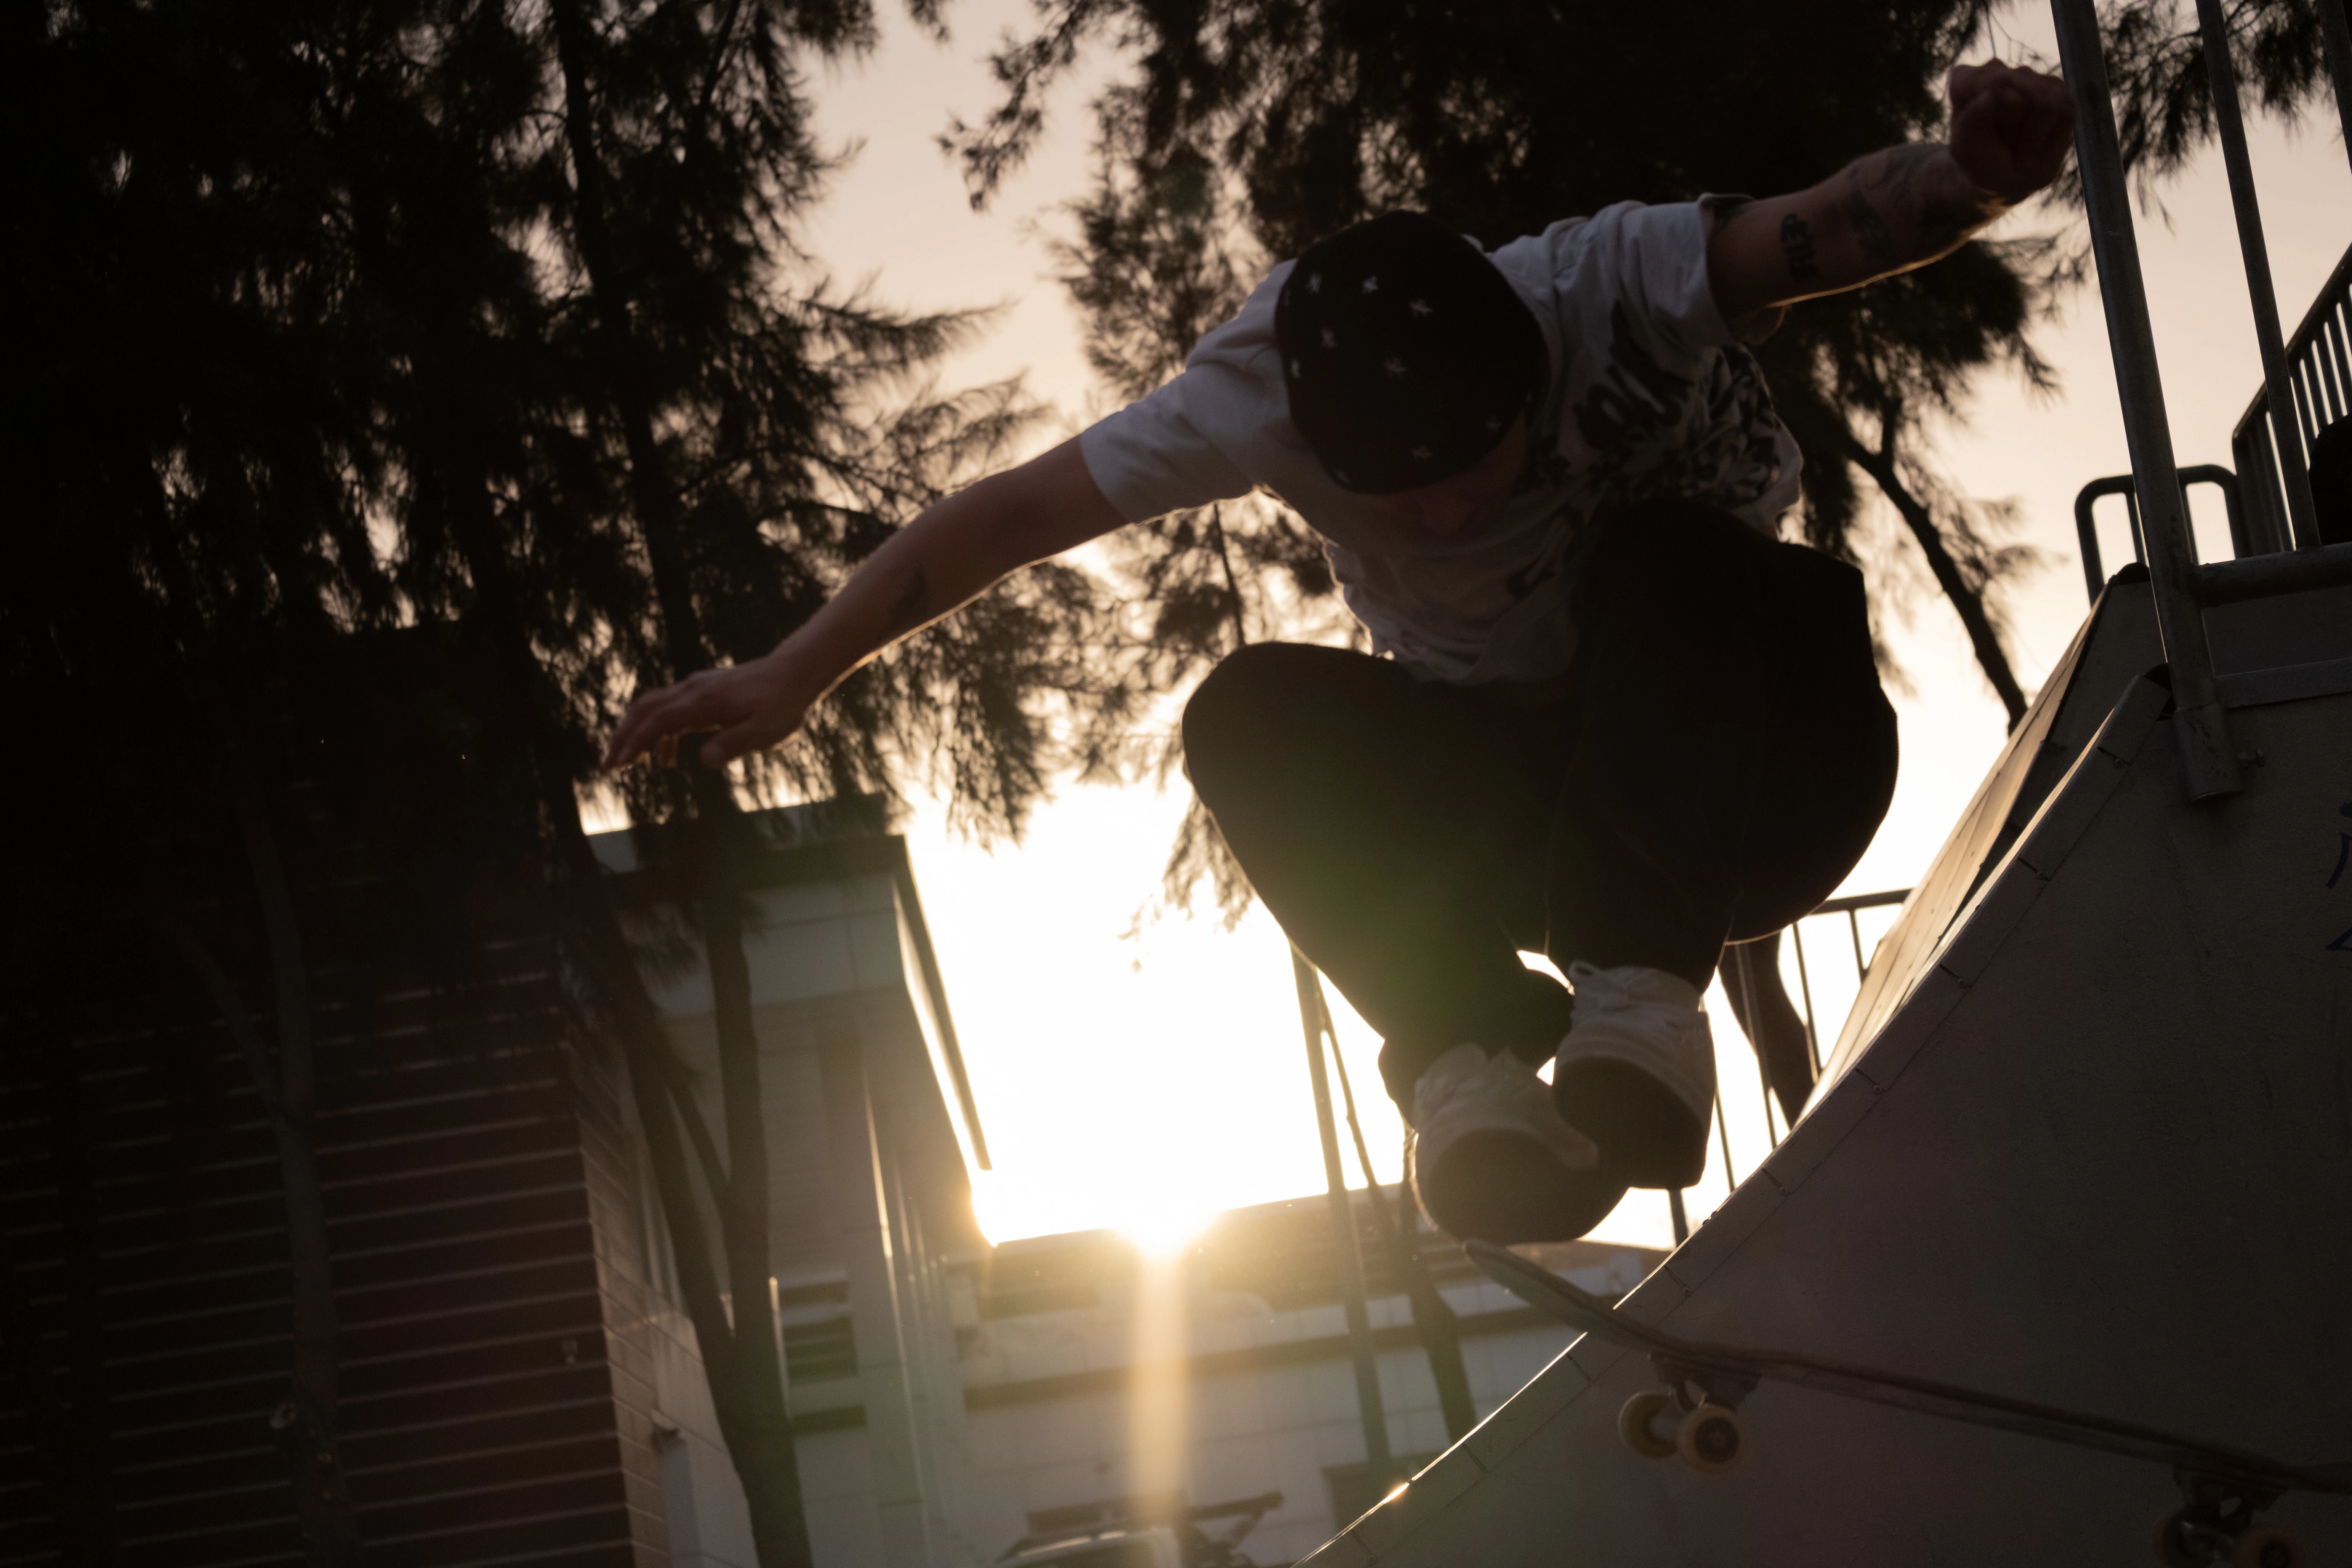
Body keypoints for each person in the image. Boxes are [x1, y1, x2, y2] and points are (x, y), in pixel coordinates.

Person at [606, 59, 2078, 1243]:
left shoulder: (1604, 283)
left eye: (1473, 460)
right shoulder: (1249, 398)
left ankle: (1640, 992)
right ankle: (1471, 1065)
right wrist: (794, 670)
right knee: (1247, 709)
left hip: (1766, 749)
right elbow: (1004, 518)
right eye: (1400, 487)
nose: (1443, 505)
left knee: (1663, 548)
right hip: (1531, 814)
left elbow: (1814, 227)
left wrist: (1963, 176)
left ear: (1520, 367)